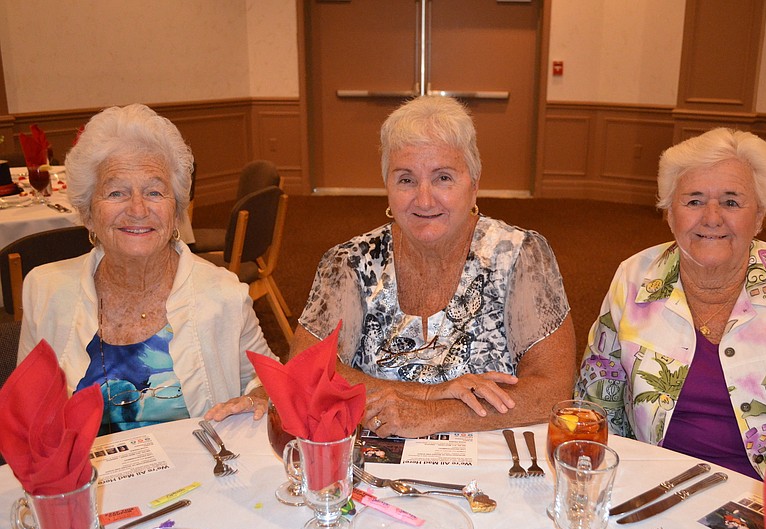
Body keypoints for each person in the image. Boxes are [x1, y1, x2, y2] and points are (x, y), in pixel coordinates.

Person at [577, 128, 766, 492]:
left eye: (732, 202)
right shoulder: (633, 278)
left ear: (759, 217)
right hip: (655, 488)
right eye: (693, 200)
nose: (711, 217)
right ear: (669, 214)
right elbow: (596, 406)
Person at [291, 95, 576, 437]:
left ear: (474, 184)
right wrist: (428, 393)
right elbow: (306, 371)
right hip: (369, 462)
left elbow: (553, 391)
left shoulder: (519, 256)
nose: (424, 200)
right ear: (387, 187)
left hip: (490, 464)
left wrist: (435, 415)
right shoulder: (349, 263)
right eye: (406, 180)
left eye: (443, 178)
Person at [18, 104, 275, 433]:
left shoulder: (224, 295)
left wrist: (261, 397)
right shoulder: (46, 291)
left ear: (176, 209)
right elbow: (24, 413)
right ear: (88, 212)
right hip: (84, 479)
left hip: (195, 478)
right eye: (116, 192)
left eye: (154, 191)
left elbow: (270, 381)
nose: (138, 209)